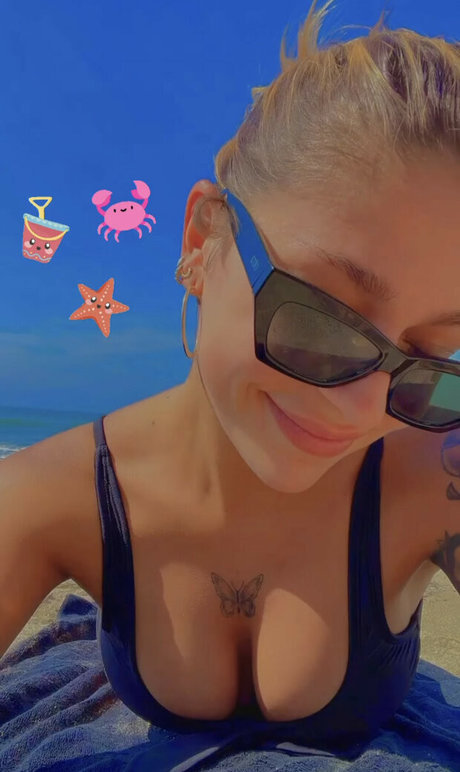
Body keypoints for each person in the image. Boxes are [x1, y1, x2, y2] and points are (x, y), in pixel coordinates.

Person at [1, 0, 460, 747]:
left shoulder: (438, 475)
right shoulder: (49, 498)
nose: (362, 409)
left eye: (432, 358)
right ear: (201, 238)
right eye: (318, 317)